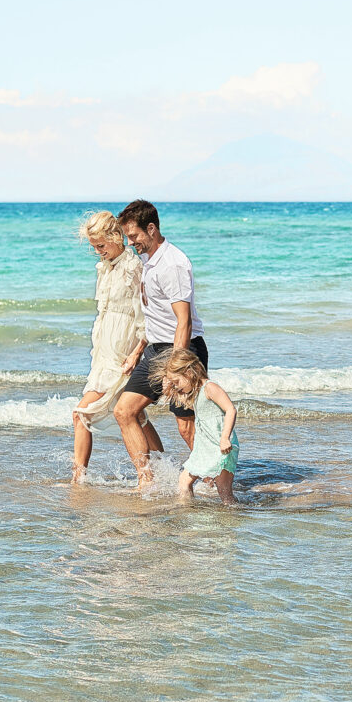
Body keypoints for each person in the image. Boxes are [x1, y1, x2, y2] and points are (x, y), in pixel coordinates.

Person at [112, 198, 208, 486]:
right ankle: (148, 480)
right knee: (125, 410)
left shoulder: (174, 264)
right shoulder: (149, 259)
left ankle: (216, 479)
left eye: (134, 236)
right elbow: (154, 316)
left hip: (183, 350)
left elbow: (184, 321)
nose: (131, 243)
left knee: (186, 426)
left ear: (151, 229)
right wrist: (138, 350)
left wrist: (175, 370)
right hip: (156, 349)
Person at [70, 210, 162, 483]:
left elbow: (145, 315)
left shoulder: (134, 269)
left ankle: (79, 478)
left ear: (116, 237)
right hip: (104, 354)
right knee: (136, 415)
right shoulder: (105, 268)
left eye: (101, 245)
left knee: (81, 413)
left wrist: (136, 353)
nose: (98, 252)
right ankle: (161, 468)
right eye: (93, 247)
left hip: (124, 353)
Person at [159, 348, 239, 504]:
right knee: (184, 481)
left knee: (224, 492)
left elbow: (230, 409)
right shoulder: (194, 392)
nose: (176, 386)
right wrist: (169, 389)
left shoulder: (210, 388)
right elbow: (182, 401)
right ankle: (187, 511)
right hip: (204, 448)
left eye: (176, 382)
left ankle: (235, 516)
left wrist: (225, 438)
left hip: (220, 446)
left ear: (189, 373)